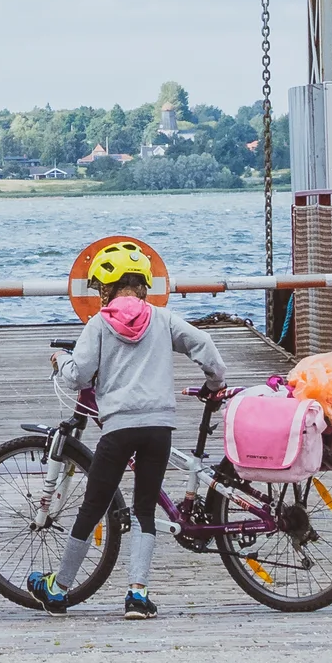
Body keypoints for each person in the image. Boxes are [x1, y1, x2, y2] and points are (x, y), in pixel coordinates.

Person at [29, 243, 227, 619]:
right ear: (143, 285)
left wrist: (60, 360)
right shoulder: (162, 318)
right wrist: (215, 383)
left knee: (92, 507)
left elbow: (78, 376)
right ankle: (137, 594)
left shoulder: (99, 324)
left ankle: (58, 589)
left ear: (106, 288)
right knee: (144, 510)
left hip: (118, 428)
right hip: (159, 427)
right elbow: (203, 344)